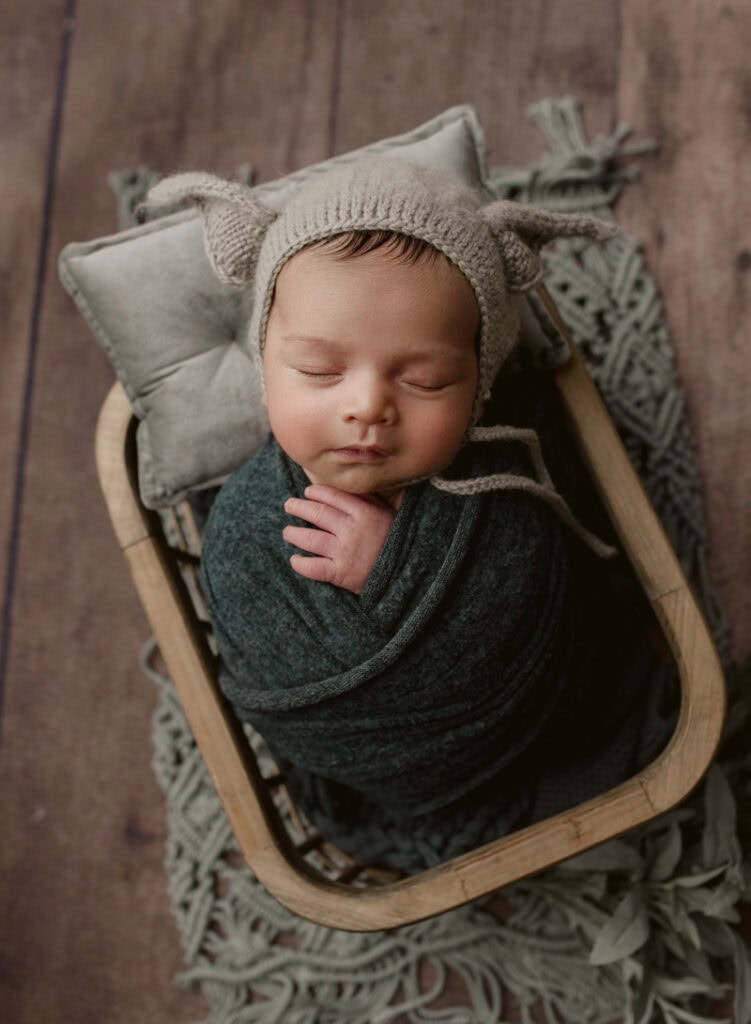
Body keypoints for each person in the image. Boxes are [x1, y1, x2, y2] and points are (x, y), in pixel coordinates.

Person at [144, 159, 677, 871]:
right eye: (319, 372)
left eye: (424, 380)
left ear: (478, 390)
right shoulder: (244, 525)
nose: (367, 406)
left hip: (538, 718)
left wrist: (398, 569)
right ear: (265, 370)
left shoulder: (504, 480)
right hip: (382, 768)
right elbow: (273, 688)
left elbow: (539, 594)